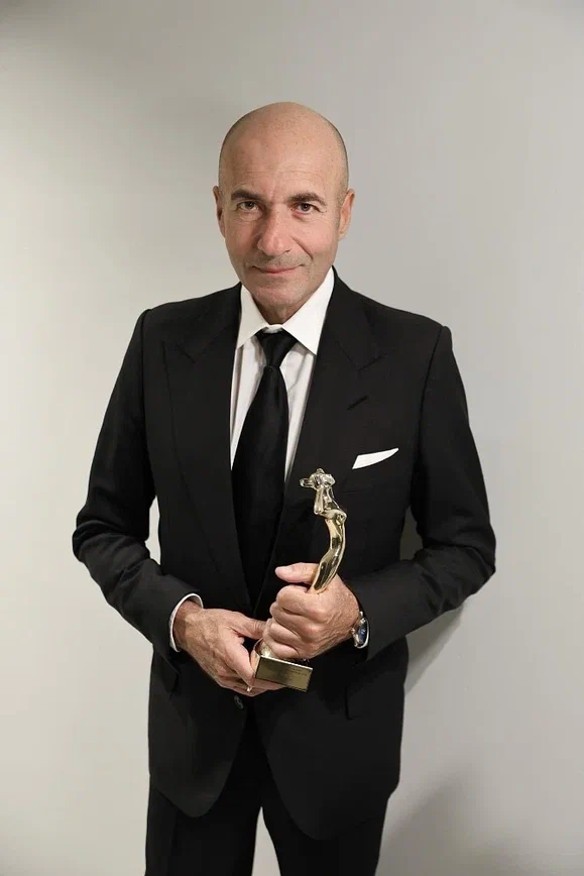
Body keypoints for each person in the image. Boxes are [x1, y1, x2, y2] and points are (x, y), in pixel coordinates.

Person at [72, 101, 496, 876]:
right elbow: (103, 528)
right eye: (249, 205)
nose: (273, 240)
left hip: (339, 744)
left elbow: (466, 548)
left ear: (344, 211)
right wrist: (183, 621)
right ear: (219, 209)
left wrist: (356, 611)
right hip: (194, 748)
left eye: (303, 205)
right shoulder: (161, 340)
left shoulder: (416, 355)